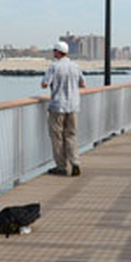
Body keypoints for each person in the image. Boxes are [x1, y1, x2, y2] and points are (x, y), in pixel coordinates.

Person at [41, 41, 86, 177]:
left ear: (58, 52)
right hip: (73, 106)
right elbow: (83, 84)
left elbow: (44, 84)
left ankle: (61, 166)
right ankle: (75, 162)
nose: (53, 53)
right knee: (71, 135)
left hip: (57, 105)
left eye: (54, 50)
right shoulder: (75, 66)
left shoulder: (54, 67)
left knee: (57, 137)